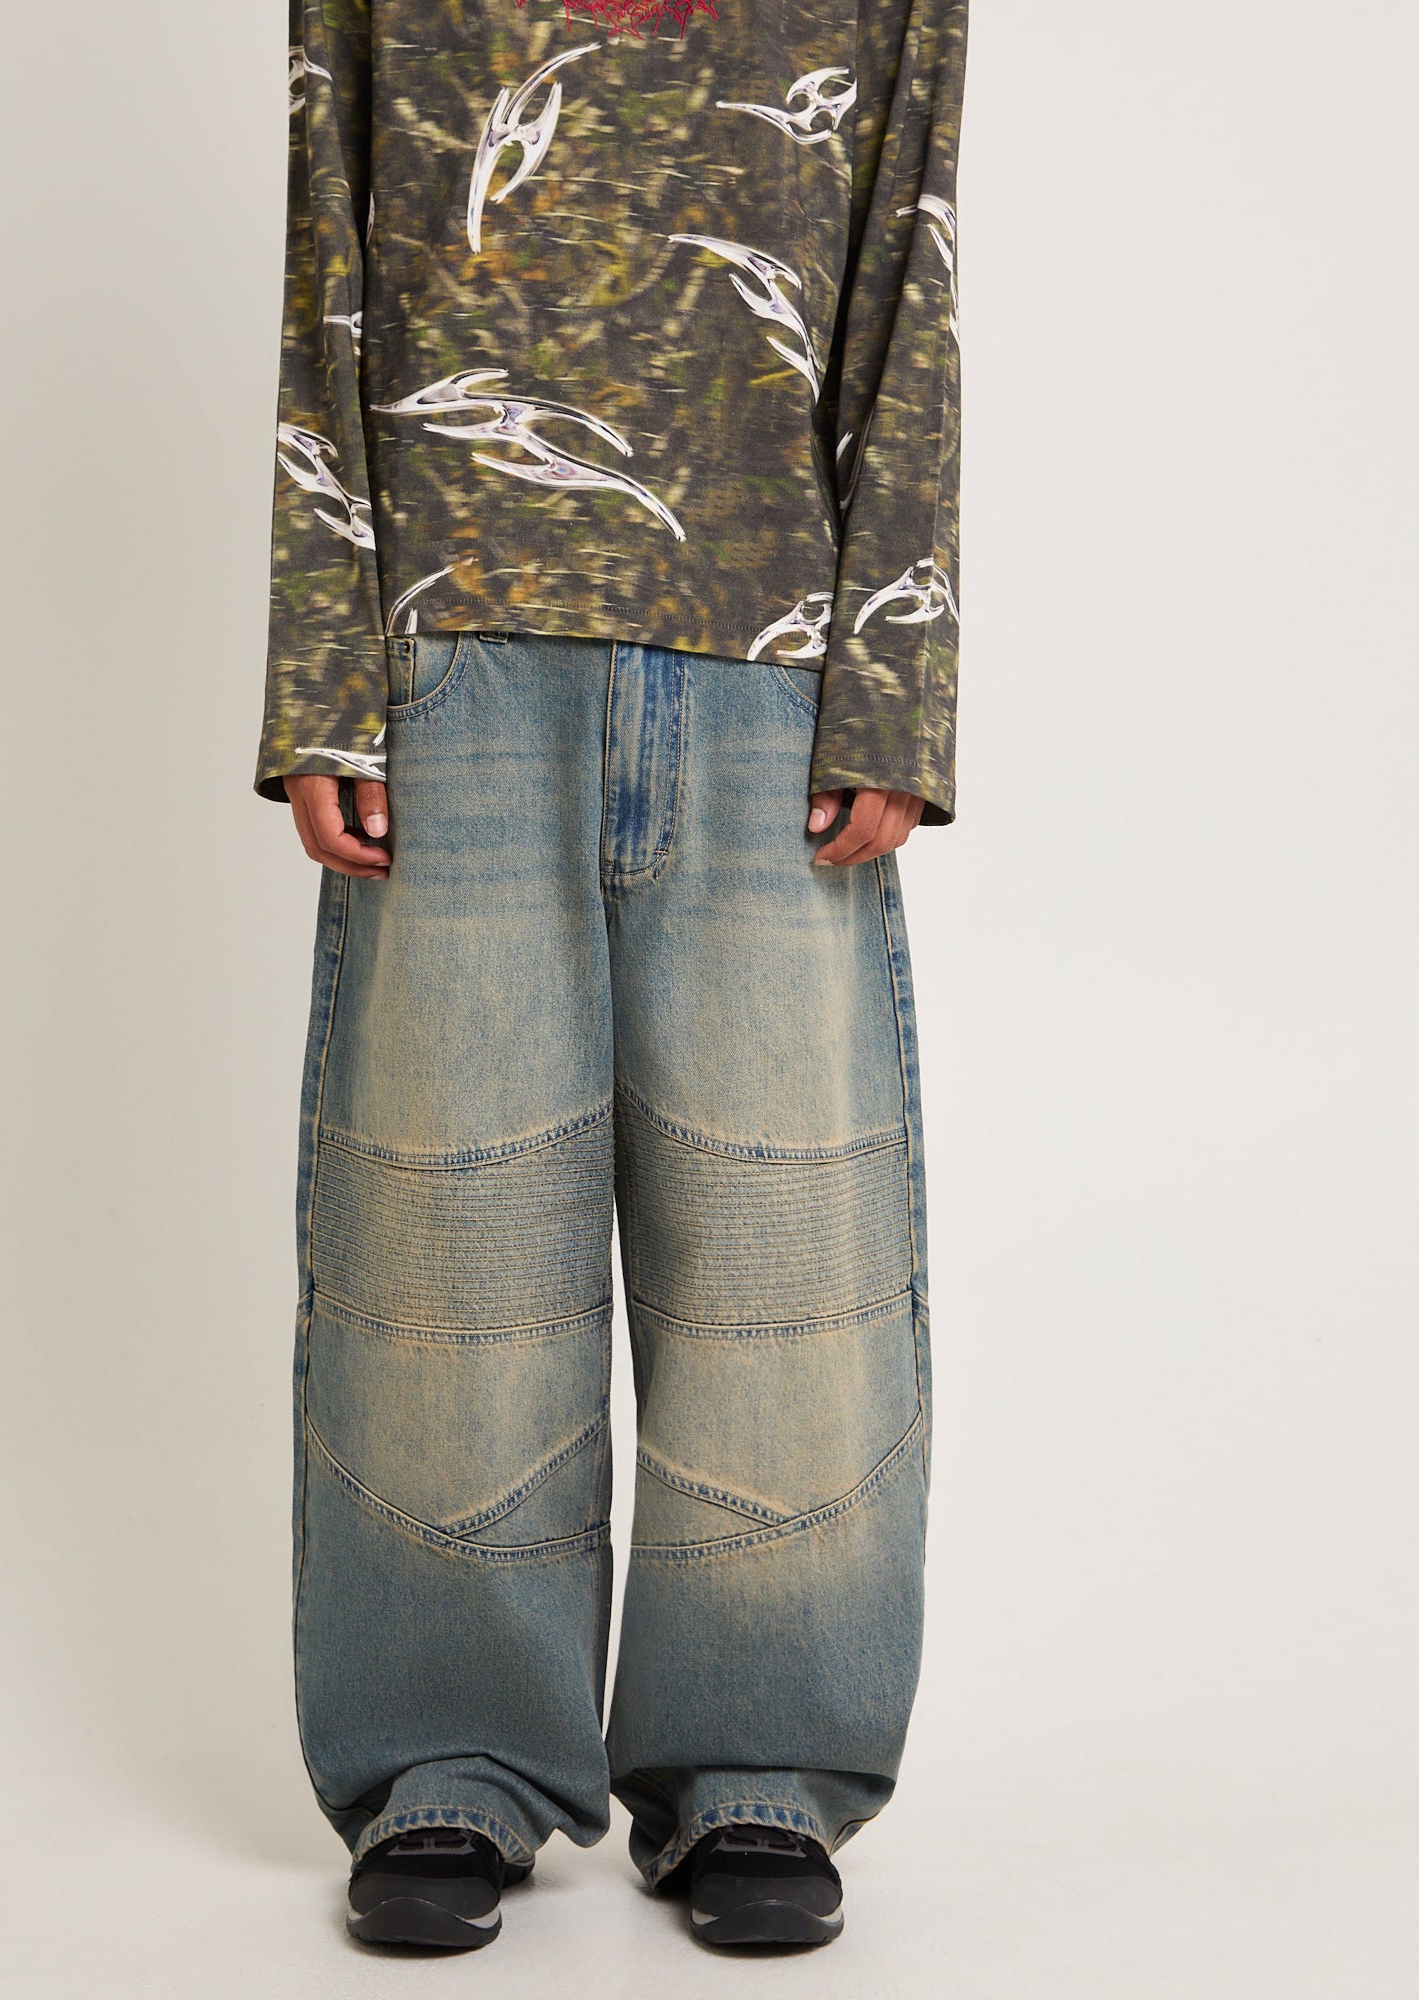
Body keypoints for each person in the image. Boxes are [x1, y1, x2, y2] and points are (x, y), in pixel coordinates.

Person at [257, 0, 966, 1953]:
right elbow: (326, 256)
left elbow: (908, 265)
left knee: (784, 1249)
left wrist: (895, 683)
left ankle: (756, 1760)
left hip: (775, 660)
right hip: (449, 651)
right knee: (445, 1243)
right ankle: (449, 1756)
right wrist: (321, 678)